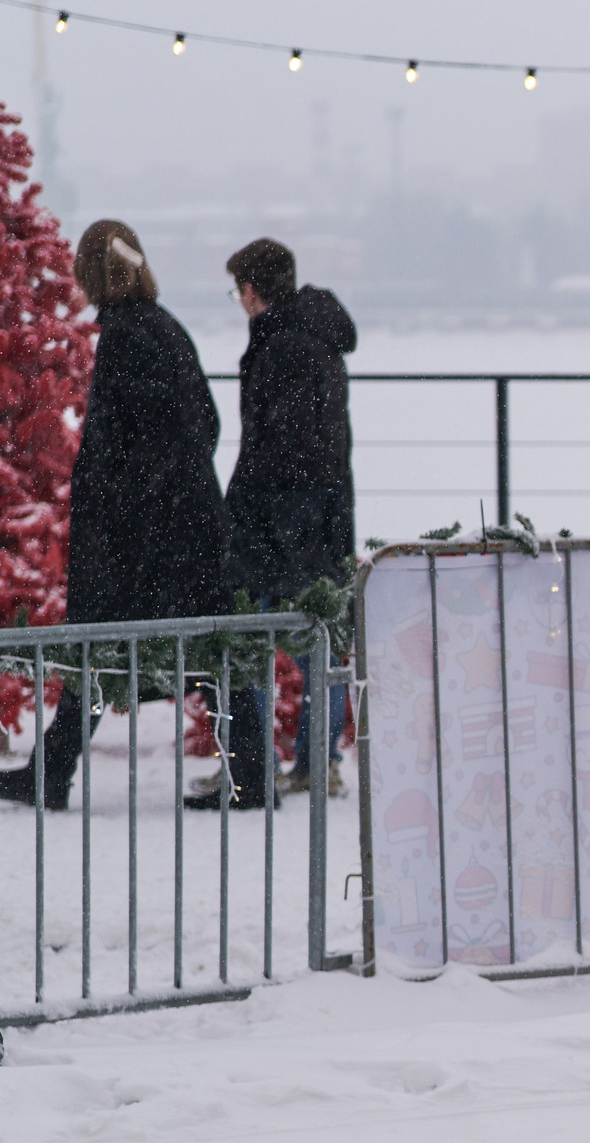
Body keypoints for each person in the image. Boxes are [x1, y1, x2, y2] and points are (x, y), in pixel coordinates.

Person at [0, 220, 227, 811]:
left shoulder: (128, 336)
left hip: (142, 539)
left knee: (103, 652)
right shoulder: (163, 328)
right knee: (200, 653)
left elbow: (140, 446)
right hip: (180, 528)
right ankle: (249, 771)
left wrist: (122, 509)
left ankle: (50, 775)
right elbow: (201, 427)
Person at [208, 237, 357, 809]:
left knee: (253, 639)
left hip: (280, 521)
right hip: (319, 516)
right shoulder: (318, 340)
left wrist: (252, 512)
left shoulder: (281, 347)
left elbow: (280, 448)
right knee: (314, 641)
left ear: (251, 291)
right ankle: (315, 763)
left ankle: (261, 764)